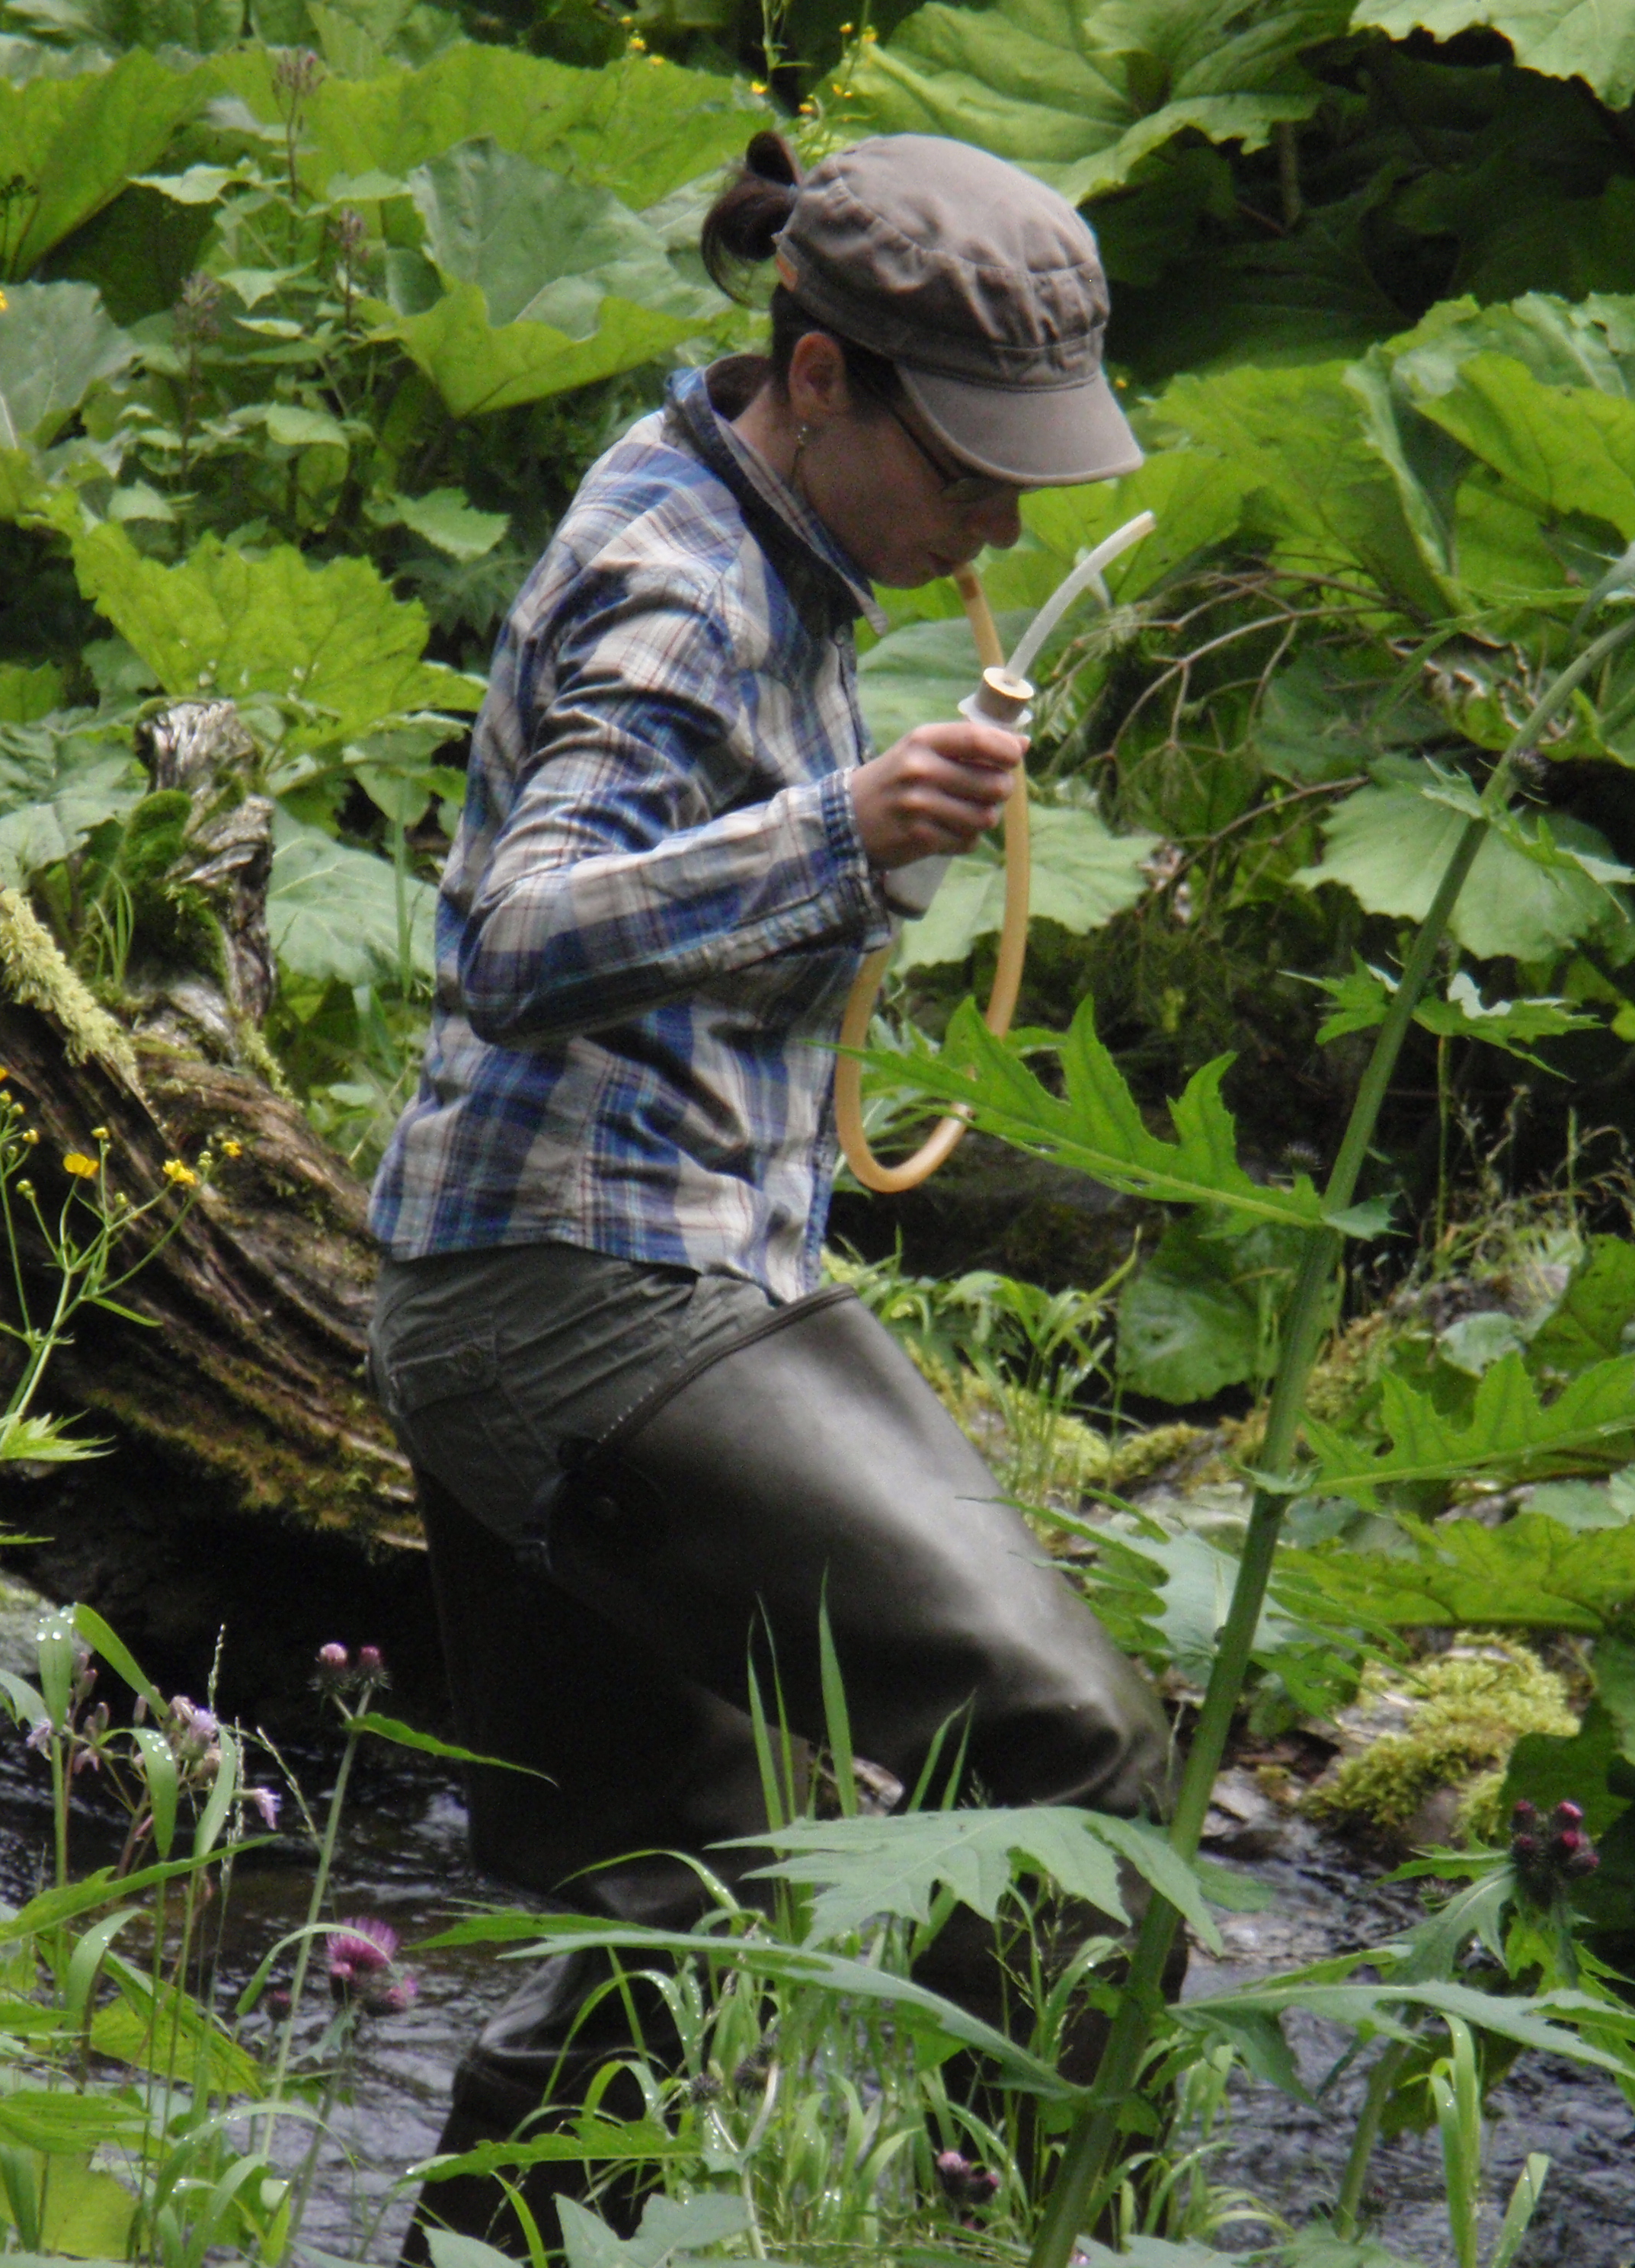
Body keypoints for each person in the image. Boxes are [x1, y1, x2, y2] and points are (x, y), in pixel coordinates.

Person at [363, 130, 1176, 2246]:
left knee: (705, 1895)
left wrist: (851, 831)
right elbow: (513, 937)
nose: (1002, 514)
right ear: (814, 377)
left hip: (536, 1286)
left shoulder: (771, 537)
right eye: (971, 461)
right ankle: (1010, 2227)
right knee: (1073, 1743)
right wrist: (843, 826)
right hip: (590, 1298)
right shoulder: (683, 593)